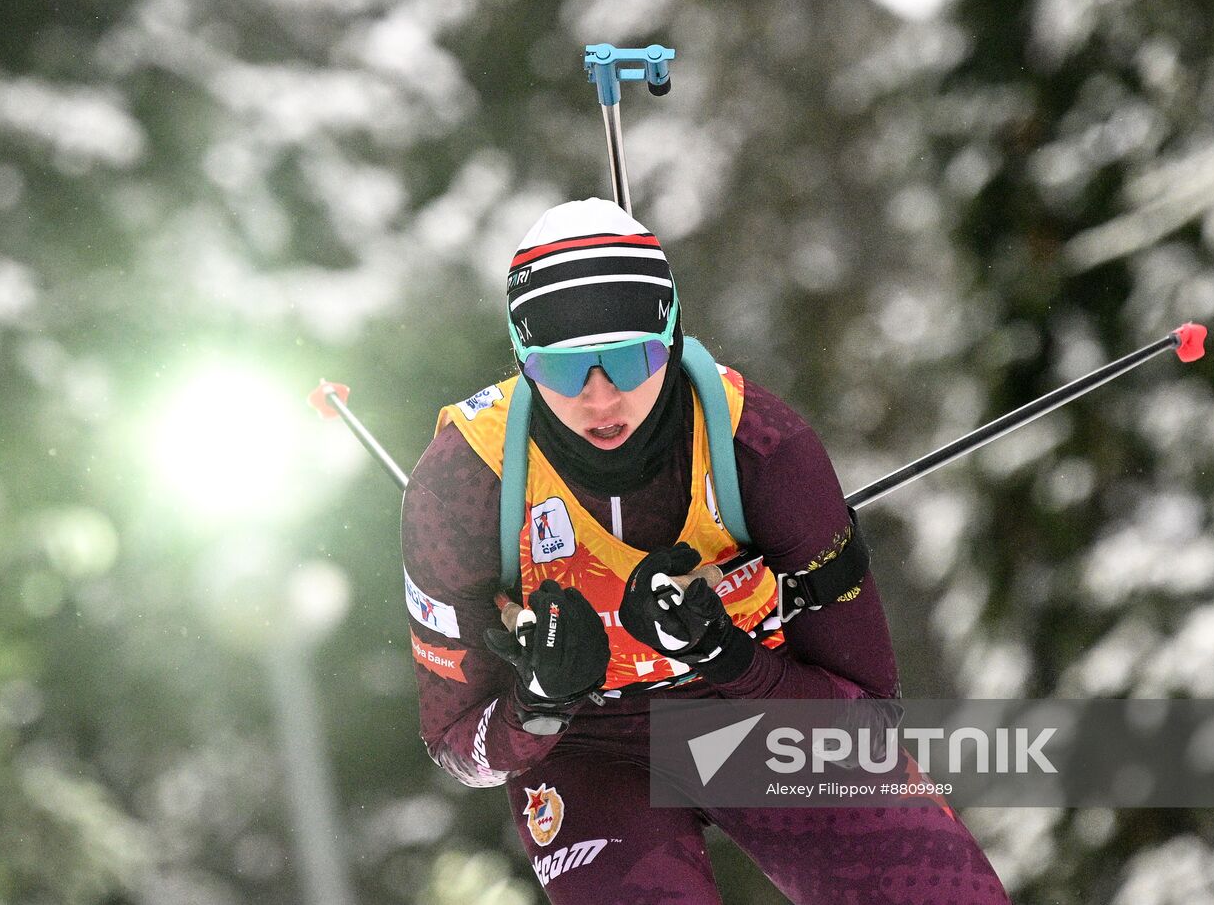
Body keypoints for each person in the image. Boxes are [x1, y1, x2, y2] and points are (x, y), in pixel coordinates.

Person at [401, 198, 1009, 904]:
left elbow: (872, 716)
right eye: (565, 370)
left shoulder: (763, 449)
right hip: (589, 752)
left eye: (631, 358)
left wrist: (732, 657)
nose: (601, 397)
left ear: (671, 331)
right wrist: (539, 701)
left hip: (761, 719)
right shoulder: (462, 483)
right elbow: (455, 745)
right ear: (523, 360)